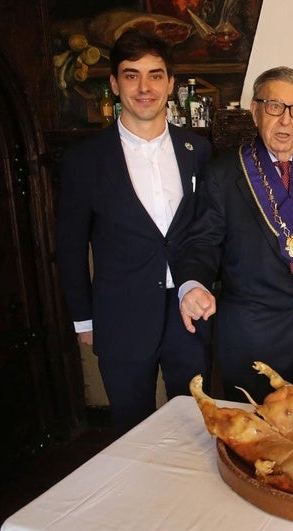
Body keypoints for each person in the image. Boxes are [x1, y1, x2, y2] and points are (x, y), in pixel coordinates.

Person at [56, 29, 213, 436]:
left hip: (189, 314)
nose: (145, 87)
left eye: (155, 75)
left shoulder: (199, 151)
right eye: (131, 75)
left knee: (198, 426)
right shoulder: (83, 161)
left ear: (171, 84)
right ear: (114, 83)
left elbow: (208, 232)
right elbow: (70, 248)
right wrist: (83, 321)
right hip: (120, 316)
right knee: (131, 433)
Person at [176, 67, 293, 413]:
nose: (286, 121)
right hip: (254, 340)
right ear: (255, 111)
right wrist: (192, 284)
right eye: (274, 107)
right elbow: (203, 241)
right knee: (258, 448)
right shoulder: (224, 173)